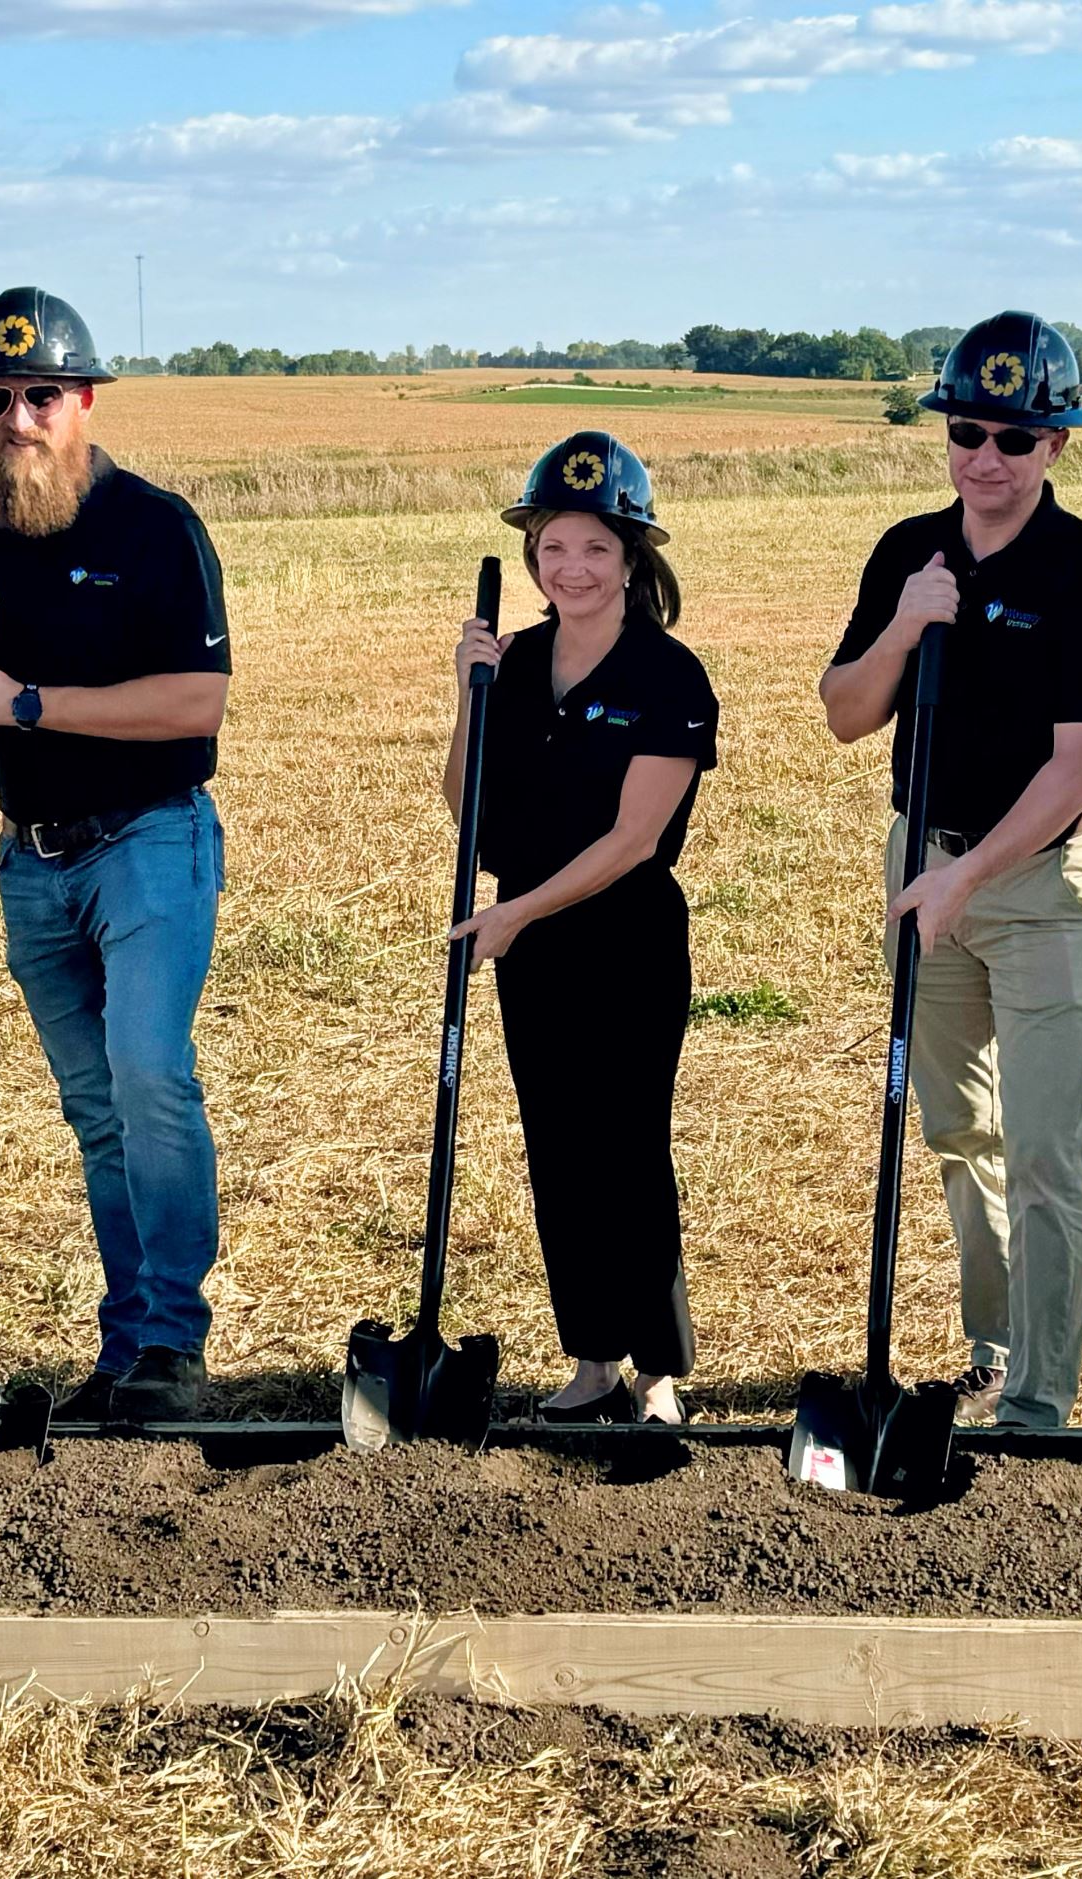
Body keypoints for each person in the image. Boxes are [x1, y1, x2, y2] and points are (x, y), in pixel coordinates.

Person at [0, 287, 231, 1425]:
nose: (18, 417)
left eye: (41, 395)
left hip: (148, 839)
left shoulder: (154, 526)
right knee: (95, 1108)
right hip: (30, 861)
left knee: (147, 1070)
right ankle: (127, 1341)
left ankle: (174, 1342)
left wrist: (23, 701)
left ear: (82, 399)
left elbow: (196, 704)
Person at [818, 313, 1082, 1431]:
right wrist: (906, 628)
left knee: (1048, 1141)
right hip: (923, 861)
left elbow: (1081, 766)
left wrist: (967, 883)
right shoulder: (906, 553)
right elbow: (844, 716)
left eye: (1014, 436)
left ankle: (1039, 1396)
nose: (985, 457)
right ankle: (994, 1335)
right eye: (967, 430)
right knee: (958, 1125)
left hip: (1044, 879)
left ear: (1057, 443)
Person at [450, 432, 719, 1425]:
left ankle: (658, 1371)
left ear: (633, 558)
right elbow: (467, 810)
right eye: (553, 547)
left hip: (626, 938)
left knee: (626, 1146)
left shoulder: (668, 676)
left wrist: (514, 911)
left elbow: (635, 840)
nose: (571, 567)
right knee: (557, 1143)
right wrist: (468, 700)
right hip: (529, 940)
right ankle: (593, 1358)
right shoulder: (513, 662)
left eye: (595, 549)